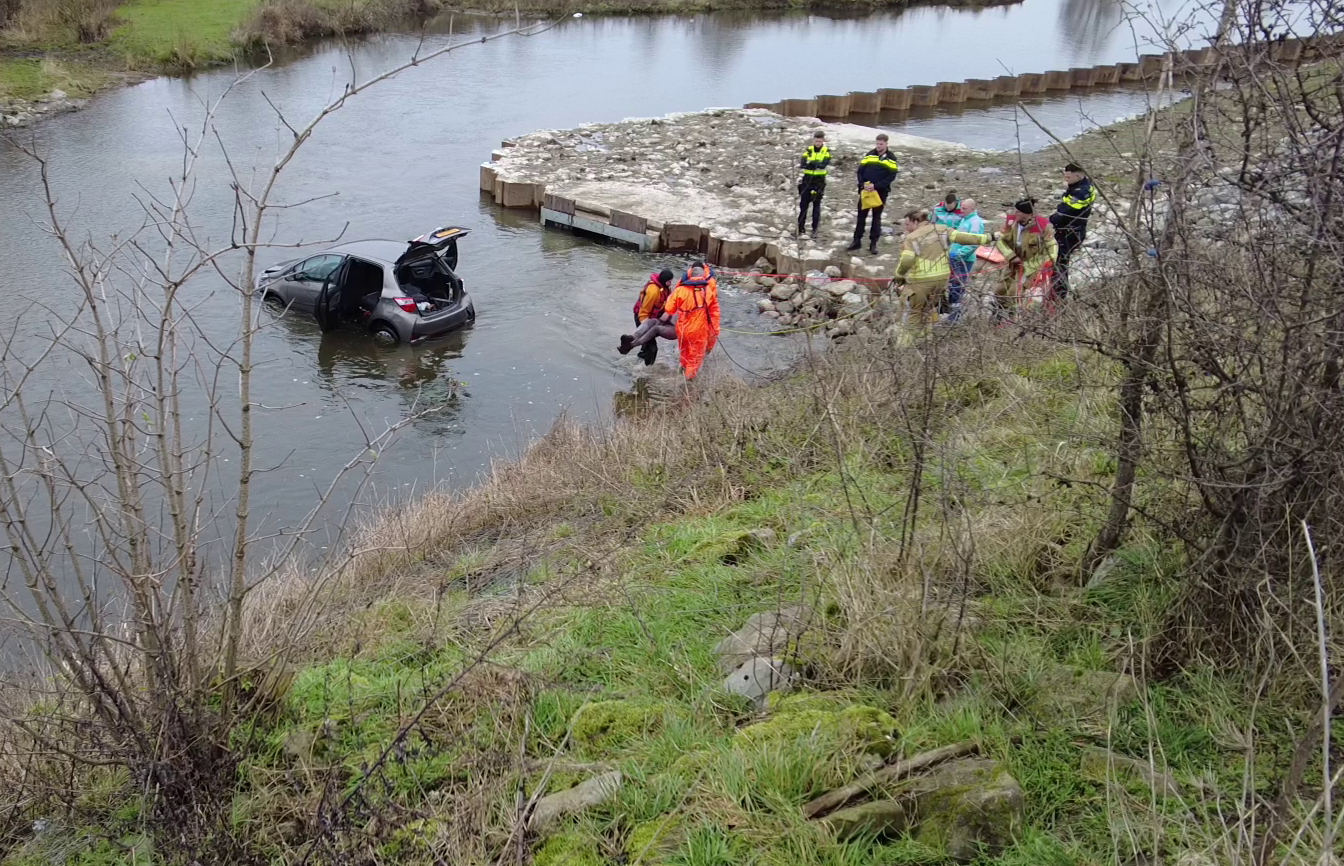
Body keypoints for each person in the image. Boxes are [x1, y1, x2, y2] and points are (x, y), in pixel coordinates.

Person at [891, 208, 994, 330]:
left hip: (921, 280)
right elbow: (963, 237)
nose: (906, 228)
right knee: (929, 309)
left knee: (913, 312)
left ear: (916, 222)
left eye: (907, 224)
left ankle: (907, 344)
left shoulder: (912, 238)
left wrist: (899, 275)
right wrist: (988, 237)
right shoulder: (942, 229)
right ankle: (927, 338)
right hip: (942, 279)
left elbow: (907, 260)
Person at [995, 198, 1058, 316]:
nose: (1015, 213)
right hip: (1013, 264)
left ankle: (1011, 318)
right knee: (1000, 290)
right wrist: (1011, 256)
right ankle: (998, 314)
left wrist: (1046, 264)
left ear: (1028, 214)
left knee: (1014, 292)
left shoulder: (1042, 227)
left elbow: (1052, 246)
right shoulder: (1011, 223)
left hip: (1030, 267)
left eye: (1018, 211)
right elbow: (1000, 241)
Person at [664, 261, 720, 380]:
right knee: (694, 358)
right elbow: (714, 314)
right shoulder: (707, 291)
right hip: (698, 329)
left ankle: (681, 373)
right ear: (702, 275)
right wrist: (714, 334)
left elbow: (669, 309)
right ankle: (688, 383)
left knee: (684, 352)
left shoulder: (680, 290)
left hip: (682, 328)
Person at [1048, 162, 1096, 301]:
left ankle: (1059, 295)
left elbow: (1065, 212)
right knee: (1060, 263)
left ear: (1078, 175)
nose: (1066, 178)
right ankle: (1057, 292)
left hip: (1070, 232)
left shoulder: (1081, 192)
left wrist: (1052, 219)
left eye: (1069, 176)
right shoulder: (1080, 187)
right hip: (1072, 230)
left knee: (1060, 264)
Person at [848, 133, 900, 255]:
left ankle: (873, 244)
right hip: (866, 191)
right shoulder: (869, 154)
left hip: (880, 192)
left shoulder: (891, 158)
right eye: (877, 144)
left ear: (886, 144)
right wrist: (862, 184)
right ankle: (856, 241)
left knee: (876, 218)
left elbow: (891, 176)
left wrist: (876, 186)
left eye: (881, 144)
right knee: (861, 216)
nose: (878, 146)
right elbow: (860, 171)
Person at [619, 268, 677, 365]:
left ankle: (637, 362)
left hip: (652, 318)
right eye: (669, 281)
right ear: (664, 281)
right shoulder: (653, 292)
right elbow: (643, 313)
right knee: (652, 348)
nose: (671, 283)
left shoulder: (665, 288)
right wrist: (648, 328)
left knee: (647, 345)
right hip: (642, 318)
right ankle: (645, 369)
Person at [797, 130, 831, 238]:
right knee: (803, 205)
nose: (818, 143)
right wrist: (812, 164)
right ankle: (800, 228)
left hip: (819, 181)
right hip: (807, 180)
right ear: (813, 140)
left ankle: (814, 229)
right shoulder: (808, 150)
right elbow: (802, 163)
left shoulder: (826, 151)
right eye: (816, 141)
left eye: (820, 141)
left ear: (823, 141)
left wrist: (811, 164)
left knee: (816, 206)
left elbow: (823, 164)